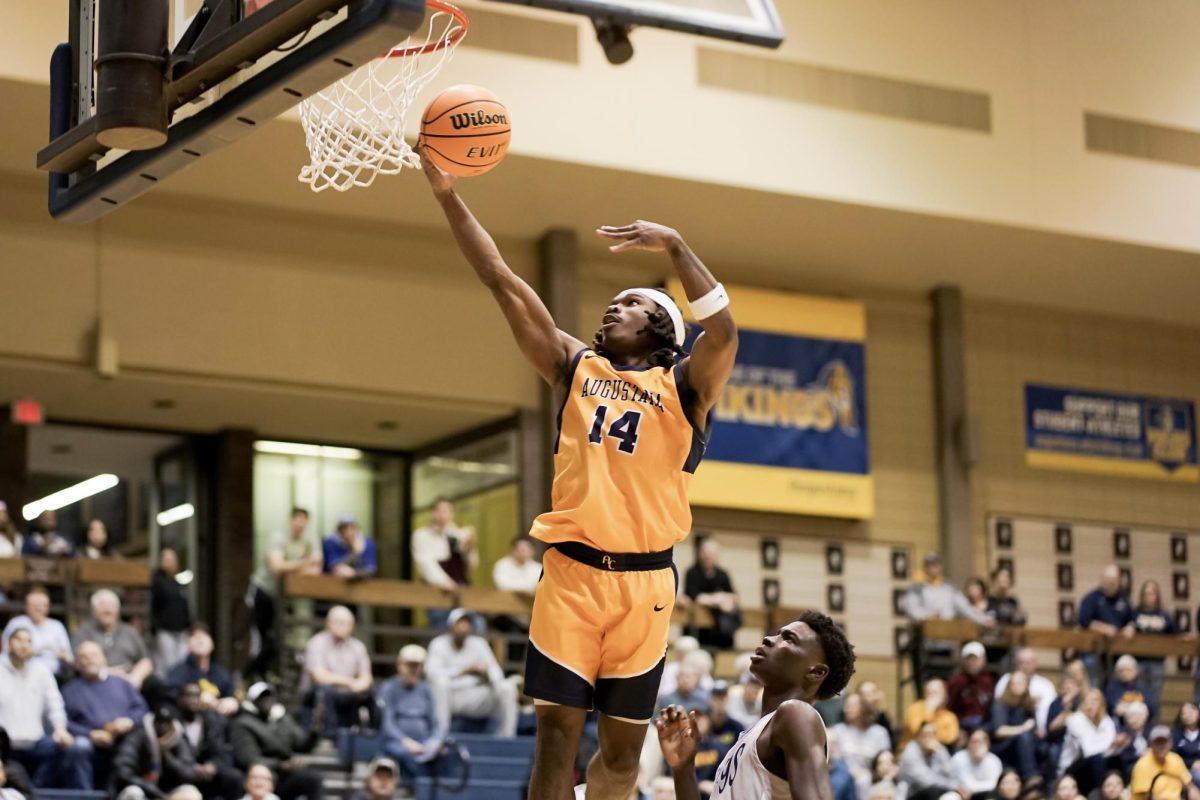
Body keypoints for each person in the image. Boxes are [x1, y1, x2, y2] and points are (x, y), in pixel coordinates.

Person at [420, 143, 739, 800]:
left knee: (620, 760)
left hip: (646, 587)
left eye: (628, 304)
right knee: (556, 741)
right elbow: (500, 277)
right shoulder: (575, 367)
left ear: (661, 328)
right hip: (570, 574)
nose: (610, 309)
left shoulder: (687, 389)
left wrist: (676, 246)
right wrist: (449, 195)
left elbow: (727, 333)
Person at [656, 612, 857, 800]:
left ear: (816, 672)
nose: (769, 639)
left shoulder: (797, 714)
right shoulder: (751, 735)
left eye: (789, 639)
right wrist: (683, 768)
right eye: (777, 634)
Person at [0, 625, 91, 789]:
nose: (23, 644)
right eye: (18, 640)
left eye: (28, 641)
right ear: (8, 643)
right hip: (4, 746)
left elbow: (54, 703)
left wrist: (60, 728)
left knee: (69, 748)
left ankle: (36, 791)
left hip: (35, 742)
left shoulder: (41, 671)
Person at [62, 641, 149, 789]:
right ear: (77, 663)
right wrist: (90, 734)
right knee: (79, 746)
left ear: (103, 658)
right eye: (84, 656)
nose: (90, 660)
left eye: (94, 655)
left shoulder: (122, 683)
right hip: (90, 744)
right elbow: (64, 723)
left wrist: (129, 721)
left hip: (123, 740)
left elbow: (142, 709)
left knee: (141, 736)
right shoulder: (69, 690)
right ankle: (86, 797)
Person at [247, 508, 321, 681]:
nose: (300, 524)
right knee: (262, 641)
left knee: (282, 640)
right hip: (264, 591)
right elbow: (277, 567)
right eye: (297, 519)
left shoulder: (310, 539)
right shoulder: (278, 537)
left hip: (288, 598)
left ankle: (270, 677)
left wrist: (293, 566)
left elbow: (316, 568)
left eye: (304, 520)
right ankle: (251, 676)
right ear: (291, 520)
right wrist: (303, 563)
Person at [425, 608, 517, 736]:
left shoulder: (479, 643)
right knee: (440, 683)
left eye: (467, 623)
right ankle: (441, 735)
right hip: (452, 696)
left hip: (476, 695)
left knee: (507, 688)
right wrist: (464, 671)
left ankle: (507, 738)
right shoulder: (439, 644)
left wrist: (486, 674)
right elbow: (432, 674)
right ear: (452, 625)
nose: (464, 626)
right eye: (460, 622)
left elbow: (497, 674)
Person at [228, 683, 323, 800]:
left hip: (284, 776)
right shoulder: (243, 723)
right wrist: (281, 765)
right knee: (257, 776)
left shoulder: (282, 719)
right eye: (262, 697)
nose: (267, 700)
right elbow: (248, 758)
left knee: (313, 778)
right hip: (261, 775)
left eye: (270, 696)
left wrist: (315, 730)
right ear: (253, 701)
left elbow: (303, 745)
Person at [301, 605, 373, 735]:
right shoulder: (316, 643)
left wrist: (361, 684)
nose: (343, 627)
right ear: (328, 623)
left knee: (371, 691)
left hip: (347, 694)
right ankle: (330, 736)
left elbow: (366, 677)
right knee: (326, 689)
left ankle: (370, 736)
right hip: (317, 695)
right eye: (339, 623)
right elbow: (319, 677)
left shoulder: (357, 646)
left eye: (347, 623)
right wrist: (350, 682)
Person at [378, 645, 442, 788]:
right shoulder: (388, 688)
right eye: (409, 665)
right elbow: (387, 724)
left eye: (417, 666)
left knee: (441, 751)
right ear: (399, 665)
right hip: (397, 742)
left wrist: (435, 741)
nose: (413, 670)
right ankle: (420, 790)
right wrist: (405, 741)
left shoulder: (426, 689)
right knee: (408, 754)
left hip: (424, 741)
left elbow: (436, 723)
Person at [111, 705, 205, 800]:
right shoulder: (138, 736)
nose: (162, 727)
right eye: (159, 722)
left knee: (191, 793)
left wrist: (167, 756)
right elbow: (123, 772)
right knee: (134, 793)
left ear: (172, 724)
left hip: (168, 792)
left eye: (166, 723)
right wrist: (155, 791)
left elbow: (189, 774)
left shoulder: (179, 738)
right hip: (143, 790)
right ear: (153, 722)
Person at [411, 499, 476, 629]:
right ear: (433, 513)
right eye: (439, 511)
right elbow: (425, 563)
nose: (442, 515)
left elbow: (471, 565)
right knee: (441, 628)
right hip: (438, 591)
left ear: (452, 514)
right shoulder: (422, 535)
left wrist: (470, 546)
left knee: (473, 627)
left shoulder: (458, 534)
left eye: (446, 511)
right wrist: (444, 581)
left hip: (461, 589)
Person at [74, 589, 155, 690]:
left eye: (111, 606)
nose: (107, 610)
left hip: (129, 680)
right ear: (93, 611)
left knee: (155, 684)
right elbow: (77, 664)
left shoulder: (129, 631)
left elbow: (146, 660)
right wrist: (106, 673)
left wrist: (135, 677)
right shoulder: (83, 632)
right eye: (102, 606)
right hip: (96, 680)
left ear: (118, 610)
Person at [176, 683, 243, 800]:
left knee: (234, 777)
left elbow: (219, 750)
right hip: (182, 772)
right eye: (188, 696)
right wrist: (192, 767)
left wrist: (213, 765)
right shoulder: (174, 722)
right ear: (180, 699)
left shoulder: (210, 720)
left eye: (196, 696)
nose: (192, 700)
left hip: (208, 772)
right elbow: (171, 756)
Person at [904, 552, 995, 626]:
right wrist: (928, 616)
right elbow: (912, 609)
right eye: (929, 564)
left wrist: (983, 620)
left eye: (936, 564)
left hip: (947, 638)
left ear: (941, 566)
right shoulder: (916, 587)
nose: (933, 567)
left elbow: (965, 608)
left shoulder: (949, 587)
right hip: (924, 638)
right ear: (924, 567)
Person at [680, 539, 741, 651]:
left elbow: (733, 595)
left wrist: (722, 600)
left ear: (717, 556)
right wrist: (717, 599)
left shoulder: (722, 574)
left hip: (718, 629)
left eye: (711, 554)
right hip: (697, 628)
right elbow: (694, 596)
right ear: (700, 554)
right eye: (705, 554)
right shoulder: (692, 572)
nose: (708, 557)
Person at [167, 624, 238, 716]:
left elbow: (231, 693)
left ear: (212, 644)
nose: (200, 640)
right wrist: (195, 699)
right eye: (195, 636)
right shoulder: (179, 672)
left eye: (204, 636)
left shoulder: (219, 672)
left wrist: (233, 703)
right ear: (188, 644)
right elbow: (171, 695)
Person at [1079, 566, 1135, 682]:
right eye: (1108, 580)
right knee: (1093, 672)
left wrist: (1130, 626)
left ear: (1119, 581)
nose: (1111, 584)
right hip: (1094, 650)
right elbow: (1084, 621)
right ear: (1102, 580)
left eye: (1114, 581)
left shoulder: (1124, 598)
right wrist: (1102, 628)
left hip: (1118, 650)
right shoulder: (1092, 598)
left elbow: (1132, 618)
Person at [2, 586, 73, 677]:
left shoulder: (57, 626)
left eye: (42, 605)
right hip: (20, 674)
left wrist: (62, 656)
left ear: (48, 607)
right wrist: (31, 651)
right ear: (26, 606)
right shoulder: (16, 623)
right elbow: (5, 651)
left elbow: (69, 657)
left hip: (53, 675)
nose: (38, 609)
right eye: (34, 605)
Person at [688, 682, 744, 797]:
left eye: (722, 698)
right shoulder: (690, 740)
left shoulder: (736, 727)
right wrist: (700, 783)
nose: (719, 702)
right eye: (716, 698)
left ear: (728, 700)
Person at [831, 691, 891, 797]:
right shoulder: (838, 731)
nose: (846, 709)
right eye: (845, 705)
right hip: (844, 776)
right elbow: (834, 759)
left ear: (863, 708)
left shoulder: (879, 733)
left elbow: (885, 760)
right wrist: (851, 771)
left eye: (851, 706)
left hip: (873, 778)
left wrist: (873, 773)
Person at [1060, 689, 1117, 795]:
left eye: (1095, 701)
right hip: (1072, 768)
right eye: (1087, 701)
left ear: (1101, 704)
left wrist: (1115, 745)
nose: (1090, 705)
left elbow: (1112, 751)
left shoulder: (1107, 721)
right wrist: (1111, 744)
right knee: (1097, 759)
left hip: (1096, 764)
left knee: (1117, 759)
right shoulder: (1075, 720)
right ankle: (1099, 795)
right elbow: (1088, 750)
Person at [1131, 580, 1175, 715]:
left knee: (1154, 698)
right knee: (1139, 696)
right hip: (1139, 660)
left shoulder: (1164, 615)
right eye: (1146, 593)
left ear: (1157, 596)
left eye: (1152, 593)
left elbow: (1175, 632)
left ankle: (1154, 728)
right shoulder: (1135, 613)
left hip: (1157, 662)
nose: (1149, 596)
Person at [989, 671, 1041, 784]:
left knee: (1045, 748)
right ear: (1009, 685)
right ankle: (1030, 776)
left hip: (1024, 744)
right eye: (1016, 682)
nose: (1019, 685)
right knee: (1024, 737)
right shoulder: (1000, 705)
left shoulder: (1028, 706)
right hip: (1002, 745)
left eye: (1022, 682)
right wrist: (1022, 728)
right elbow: (999, 731)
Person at [994, 648, 1059, 736]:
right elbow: (999, 704)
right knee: (1024, 737)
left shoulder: (1046, 685)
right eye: (1021, 662)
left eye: (1028, 663)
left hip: (1041, 731)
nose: (1024, 666)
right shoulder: (1006, 679)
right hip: (1011, 728)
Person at [151, 548, 192, 680]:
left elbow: (185, 607)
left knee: (182, 663)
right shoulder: (157, 581)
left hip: (182, 630)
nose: (169, 562)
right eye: (166, 559)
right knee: (168, 665)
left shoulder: (178, 582)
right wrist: (156, 627)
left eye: (172, 559)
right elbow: (153, 606)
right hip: (165, 631)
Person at [898, 721, 960, 800]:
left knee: (953, 796)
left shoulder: (938, 749)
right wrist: (953, 786)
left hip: (935, 791)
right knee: (933, 791)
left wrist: (940, 752)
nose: (929, 738)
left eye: (932, 734)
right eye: (925, 735)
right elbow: (927, 782)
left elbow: (953, 775)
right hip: (912, 794)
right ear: (918, 737)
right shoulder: (910, 752)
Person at [1130, 726, 1192, 800]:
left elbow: (1190, 786)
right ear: (1151, 745)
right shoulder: (1142, 765)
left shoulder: (1175, 759)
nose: (1161, 746)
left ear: (1170, 743)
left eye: (1164, 742)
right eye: (1157, 743)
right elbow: (1146, 796)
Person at [947, 641, 996, 730]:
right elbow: (950, 708)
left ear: (983, 659)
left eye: (976, 659)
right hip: (962, 723)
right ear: (963, 660)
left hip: (984, 723)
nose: (972, 662)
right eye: (969, 659)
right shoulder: (956, 681)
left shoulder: (988, 681)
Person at [902, 678, 960, 749]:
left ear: (944, 695)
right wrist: (929, 710)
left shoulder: (949, 716)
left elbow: (950, 738)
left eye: (935, 692)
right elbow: (915, 729)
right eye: (929, 692)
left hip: (937, 750)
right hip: (913, 749)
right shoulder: (915, 708)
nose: (932, 696)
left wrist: (932, 737)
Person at [953, 727, 1004, 799]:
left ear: (988, 744)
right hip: (964, 796)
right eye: (974, 741)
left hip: (987, 795)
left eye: (982, 742)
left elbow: (997, 785)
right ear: (968, 743)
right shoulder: (959, 758)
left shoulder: (994, 760)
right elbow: (969, 786)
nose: (978, 745)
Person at [322, 516, 378, 581]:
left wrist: (354, 574)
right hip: (334, 582)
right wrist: (355, 553)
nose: (348, 532)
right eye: (344, 529)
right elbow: (334, 567)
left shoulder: (367, 542)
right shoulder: (330, 542)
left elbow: (371, 569)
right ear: (338, 530)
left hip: (361, 582)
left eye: (352, 528)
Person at [1106, 656, 1155, 724]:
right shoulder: (1112, 688)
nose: (1125, 673)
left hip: (1144, 725)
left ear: (1135, 670)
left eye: (1128, 670)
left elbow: (1152, 708)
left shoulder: (1143, 687)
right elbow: (1116, 709)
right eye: (1121, 670)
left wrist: (1127, 707)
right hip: (1121, 724)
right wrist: (1138, 707)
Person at [1111, 702, 1150, 779]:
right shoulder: (1122, 734)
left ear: (1145, 719)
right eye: (1132, 716)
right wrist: (1141, 756)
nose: (1135, 719)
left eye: (1139, 716)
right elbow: (1123, 757)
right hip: (1129, 768)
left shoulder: (1150, 733)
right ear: (1126, 719)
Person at [858, 680, 897, 749]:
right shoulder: (853, 715)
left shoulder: (883, 717)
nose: (867, 698)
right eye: (864, 694)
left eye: (871, 693)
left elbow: (892, 743)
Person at [1172, 702, 1200, 778]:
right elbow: (1172, 756)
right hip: (1182, 770)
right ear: (1180, 717)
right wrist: (1191, 763)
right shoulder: (1176, 734)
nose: (1188, 715)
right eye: (1184, 713)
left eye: (1191, 712)